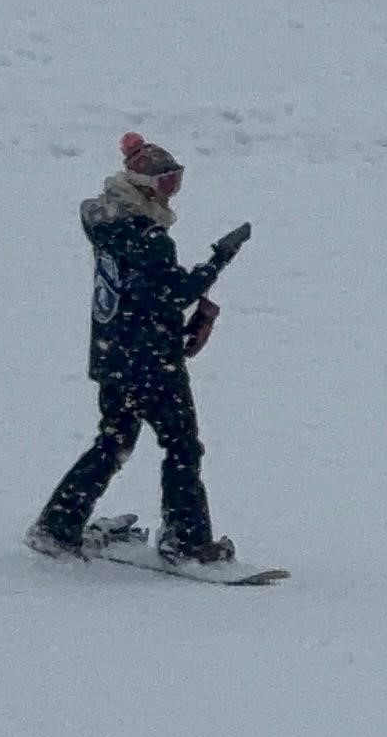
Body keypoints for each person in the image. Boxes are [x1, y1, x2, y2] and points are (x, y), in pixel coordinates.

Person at [28, 133, 253, 566]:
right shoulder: (147, 236)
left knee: (113, 440)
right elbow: (177, 290)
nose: (172, 194)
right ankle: (186, 542)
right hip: (150, 362)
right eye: (168, 183)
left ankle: (59, 524)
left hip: (115, 356)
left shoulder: (107, 225)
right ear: (144, 185)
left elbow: (144, 295)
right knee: (182, 446)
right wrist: (220, 258)